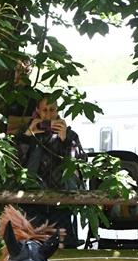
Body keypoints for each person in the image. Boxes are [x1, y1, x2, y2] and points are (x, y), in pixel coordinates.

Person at [16, 94, 86, 248]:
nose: (48, 114)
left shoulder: (70, 135)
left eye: (52, 110)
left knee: (64, 246)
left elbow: (79, 164)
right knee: (32, 246)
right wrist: (27, 136)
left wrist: (65, 140)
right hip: (32, 200)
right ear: (38, 111)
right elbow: (16, 164)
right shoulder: (27, 134)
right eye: (44, 110)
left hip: (61, 201)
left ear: (58, 111)